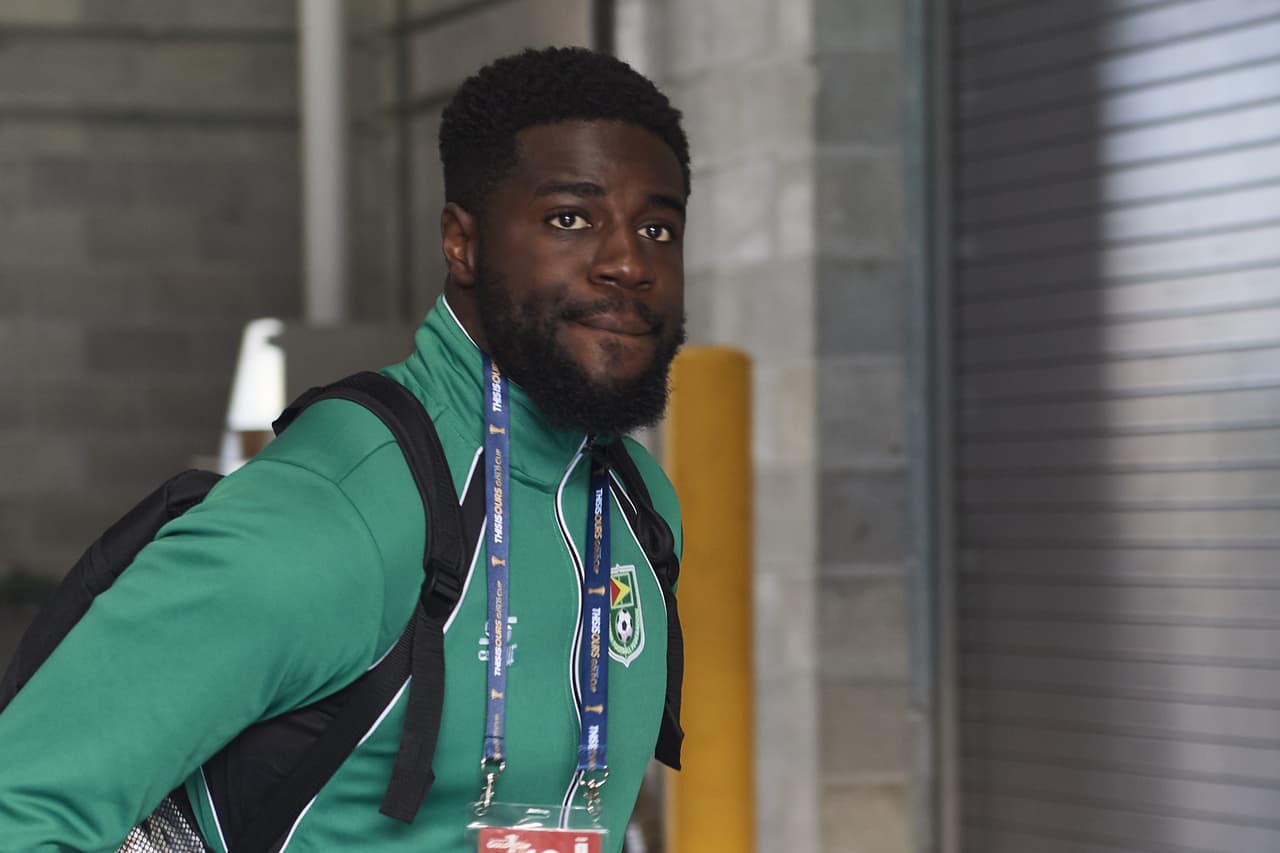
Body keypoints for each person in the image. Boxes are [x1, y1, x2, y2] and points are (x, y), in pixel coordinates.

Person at [0, 46, 689, 852]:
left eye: (658, 227)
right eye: (571, 218)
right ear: (460, 243)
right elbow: (21, 808)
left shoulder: (638, 504)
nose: (627, 262)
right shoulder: (332, 511)